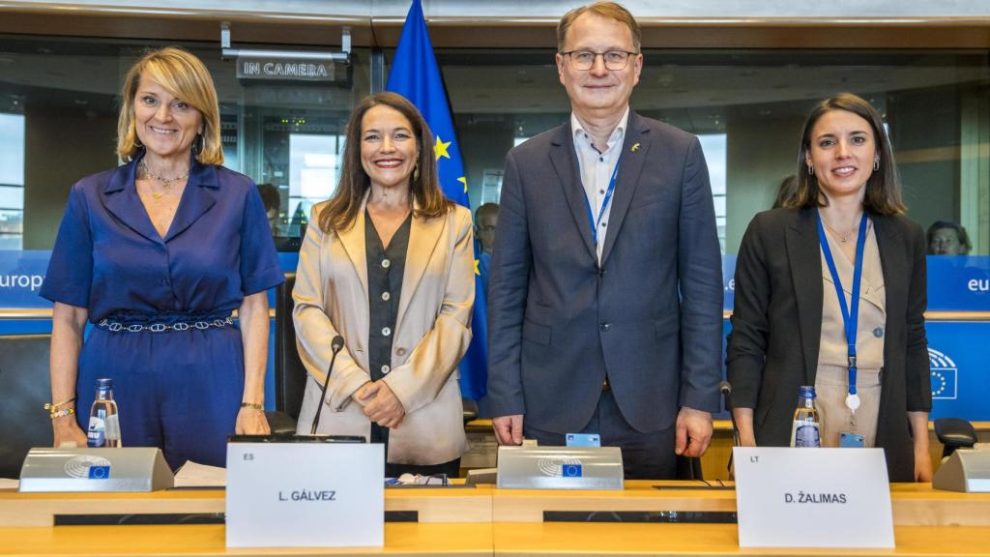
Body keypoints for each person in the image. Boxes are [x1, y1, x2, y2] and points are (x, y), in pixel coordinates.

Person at [486, 1, 723, 479]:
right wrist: (505, 394)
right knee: (554, 544)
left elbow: (701, 287)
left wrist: (699, 399)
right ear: (561, 66)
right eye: (583, 55)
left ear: (637, 67)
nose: (599, 69)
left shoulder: (680, 154)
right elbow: (507, 289)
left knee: (650, 545)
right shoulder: (526, 163)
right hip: (550, 399)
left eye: (614, 56)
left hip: (652, 403)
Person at [41, 47, 283, 470]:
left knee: (213, 514)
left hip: (212, 379)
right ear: (133, 108)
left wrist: (252, 402)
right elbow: (68, 317)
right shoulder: (89, 196)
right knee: (114, 516)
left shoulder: (237, 194)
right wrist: (63, 417)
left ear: (202, 116)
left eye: (181, 104)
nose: (163, 117)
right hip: (114, 383)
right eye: (150, 100)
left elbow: (254, 308)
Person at [727, 92, 932, 482]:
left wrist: (921, 444)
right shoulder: (770, 232)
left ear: (876, 156)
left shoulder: (905, 236)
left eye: (857, 139)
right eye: (827, 142)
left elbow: (913, 339)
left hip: (879, 415)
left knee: (871, 542)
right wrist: (746, 441)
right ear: (808, 157)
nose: (843, 153)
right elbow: (746, 340)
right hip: (794, 416)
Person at [293, 92, 474, 478]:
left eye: (400, 136)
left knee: (424, 537)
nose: (386, 148)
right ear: (356, 150)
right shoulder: (324, 220)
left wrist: (400, 392)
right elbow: (307, 310)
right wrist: (356, 385)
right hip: (339, 415)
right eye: (372, 137)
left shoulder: (455, 222)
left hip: (426, 423)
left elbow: (454, 319)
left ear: (420, 148)